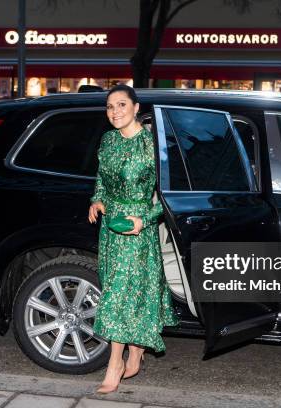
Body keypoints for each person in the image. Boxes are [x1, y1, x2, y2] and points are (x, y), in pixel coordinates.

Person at [88, 84, 178, 394]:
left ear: (136, 107)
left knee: (120, 296)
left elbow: (167, 196)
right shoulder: (108, 140)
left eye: (121, 105)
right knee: (121, 291)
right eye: (110, 106)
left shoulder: (152, 144)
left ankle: (115, 363)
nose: (114, 112)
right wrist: (97, 200)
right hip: (110, 229)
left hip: (138, 229)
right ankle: (136, 349)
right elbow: (101, 178)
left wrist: (145, 220)